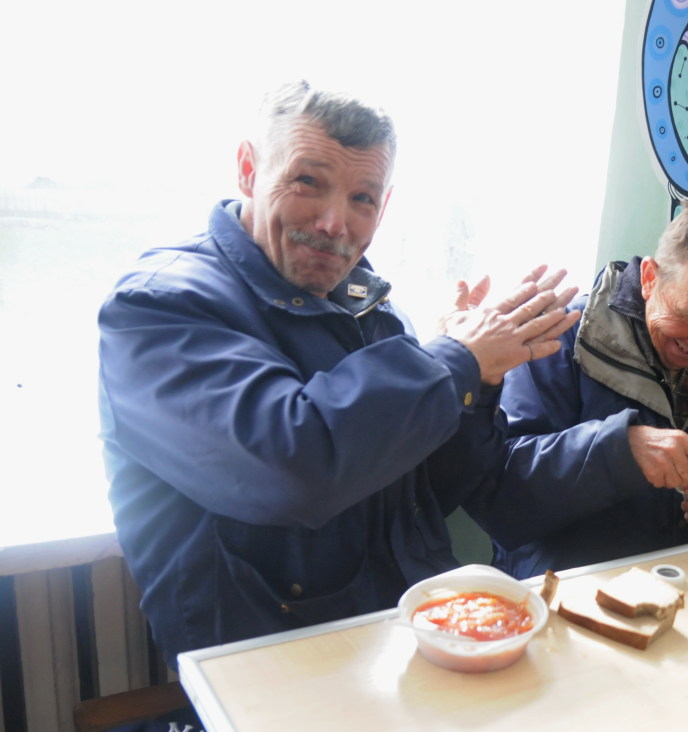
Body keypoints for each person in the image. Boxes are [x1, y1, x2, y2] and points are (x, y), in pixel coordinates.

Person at [97, 81, 579, 665]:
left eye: (363, 199)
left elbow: (433, 488)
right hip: (265, 670)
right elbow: (291, 464)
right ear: (249, 170)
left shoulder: (363, 304)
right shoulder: (160, 305)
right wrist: (455, 359)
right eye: (308, 182)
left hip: (401, 647)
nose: (335, 223)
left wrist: (481, 380)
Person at [481, 199, 688, 577]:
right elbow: (500, 493)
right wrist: (616, 452)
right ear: (649, 278)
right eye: (686, 319)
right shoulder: (562, 338)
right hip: (565, 596)